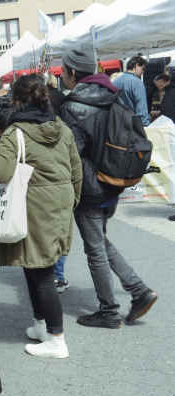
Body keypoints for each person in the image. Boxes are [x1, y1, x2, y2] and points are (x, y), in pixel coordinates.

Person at [60, 48, 158, 328]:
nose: (63, 77)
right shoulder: (112, 94)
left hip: (90, 186)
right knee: (100, 241)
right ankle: (139, 291)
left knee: (95, 249)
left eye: (64, 72)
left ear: (74, 74)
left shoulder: (73, 105)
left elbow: (72, 154)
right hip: (116, 178)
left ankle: (109, 310)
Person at [0, 74, 82, 358]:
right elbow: (75, 170)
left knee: (41, 273)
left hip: (34, 204)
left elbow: (0, 172)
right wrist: (70, 203)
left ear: (16, 100)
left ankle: (57, 338)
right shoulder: (61, 128)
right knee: (35, 266)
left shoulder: (16, 132)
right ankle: (41, 326)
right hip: (60, 201)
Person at [113, 56, 150, 126]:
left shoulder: (115, 81)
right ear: (136, 66)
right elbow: (141, 108)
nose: (143, 72)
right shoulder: (137, 82)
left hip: (118, 124)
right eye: (143, 69)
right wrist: (144, 125)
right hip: (133, 126)